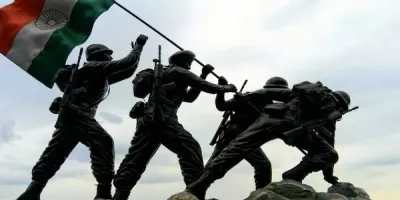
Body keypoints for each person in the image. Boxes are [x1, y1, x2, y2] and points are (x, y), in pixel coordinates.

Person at [16, 34, 148, 200]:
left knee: (57, 151)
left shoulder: (98, 73)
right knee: (103, 142)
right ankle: (103, 193)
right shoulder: (93, 67)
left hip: (74, 115)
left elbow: (127, 71)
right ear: (99, 55)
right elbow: (126, 63)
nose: (111, 57)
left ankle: (32, 192)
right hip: (78, 114)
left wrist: (135, 52)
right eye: (108, 54)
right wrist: (139, 46)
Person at [184, 81, 351, 200]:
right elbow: (330, 147)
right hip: (292, 125)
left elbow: (268, 93)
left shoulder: (307, 92)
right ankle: (293, 177)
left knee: (234, 151)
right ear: (343, 107)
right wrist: (329, 176)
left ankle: (198, 186)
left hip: (271, 120)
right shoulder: (331, 112)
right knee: (328, 153)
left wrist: (248, 95)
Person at [112, 50, 237, 200]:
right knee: (190, 148)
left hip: (147, 119)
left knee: (137, 158)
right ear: (185, 62)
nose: (190, 66)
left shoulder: (169, 72)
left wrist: (204, 74)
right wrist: (227, 88)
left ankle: (120, 195)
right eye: (189, 63)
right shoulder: (179, 71)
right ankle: (196, 192)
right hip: (164, 118)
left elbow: (189, 97)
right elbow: (207, 87)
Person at [205, 76, 292, 189]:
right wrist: (221, 89)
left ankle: (262, 194)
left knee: (263, 165)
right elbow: (222, 106)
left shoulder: (272, 106)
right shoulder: (247, 97)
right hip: (232, 134)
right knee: (215, 163)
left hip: (248, 136)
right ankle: (194, 188)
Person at [282, 91, 351, 185]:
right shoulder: (327, 116)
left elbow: (326, 146)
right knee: (330, 154)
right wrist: (328, 176)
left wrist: (328, 175)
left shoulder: (315, 105)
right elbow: (329, 150)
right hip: (293, 128)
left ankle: (294, 176)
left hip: (286, 122)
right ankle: (293, 176)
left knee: (319, 151)